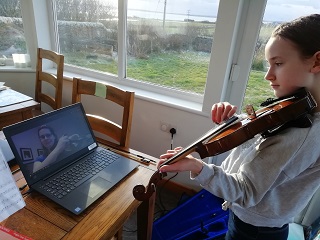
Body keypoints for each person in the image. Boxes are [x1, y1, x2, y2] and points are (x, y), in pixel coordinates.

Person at [158, 14, 320, 240]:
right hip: (254, 221)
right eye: (268, 64)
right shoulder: (296, 107)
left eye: (278, 63)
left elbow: (245, 191)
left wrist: (197, 167)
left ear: (316, 61)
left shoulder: (304, 134)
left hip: (255, 231)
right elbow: (261, 135)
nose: (268, 75)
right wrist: (233, 121)